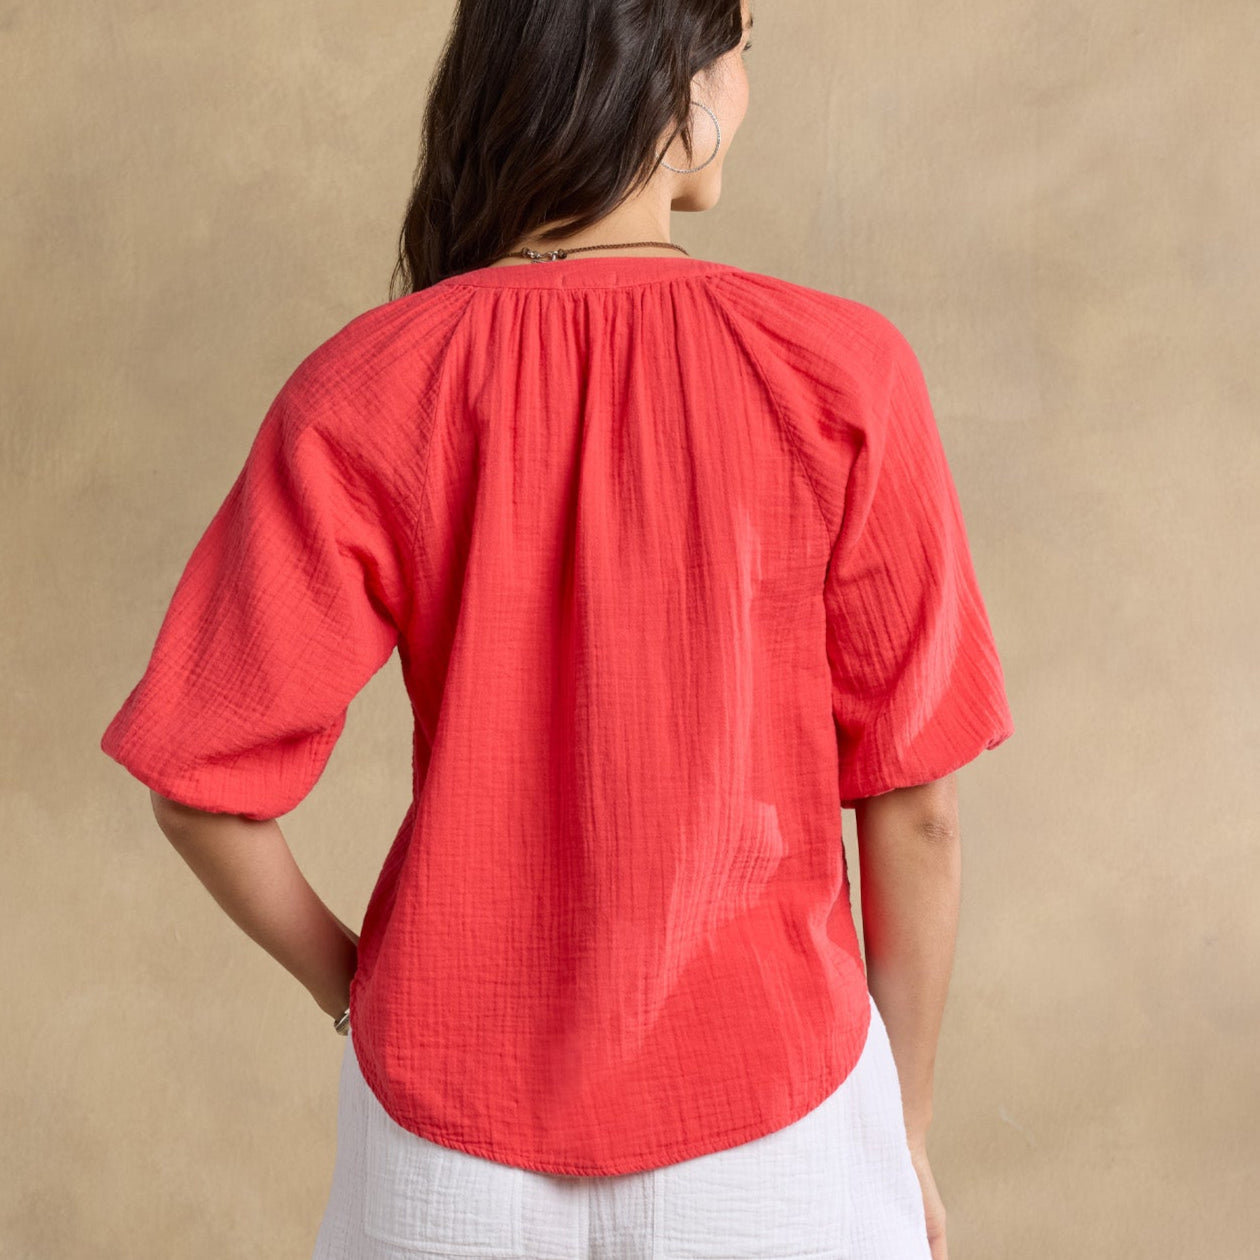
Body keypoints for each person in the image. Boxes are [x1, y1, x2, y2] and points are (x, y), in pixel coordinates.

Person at [99, 1, 1015, 1257]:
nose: (747, 82)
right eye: (743, 49)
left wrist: (355, 989)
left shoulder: (370, 384)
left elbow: (198, 785)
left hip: (443, 1140)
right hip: (781, 1127)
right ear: (677, 85)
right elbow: (918, 810)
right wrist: (900, 1124)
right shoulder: (842, 371)